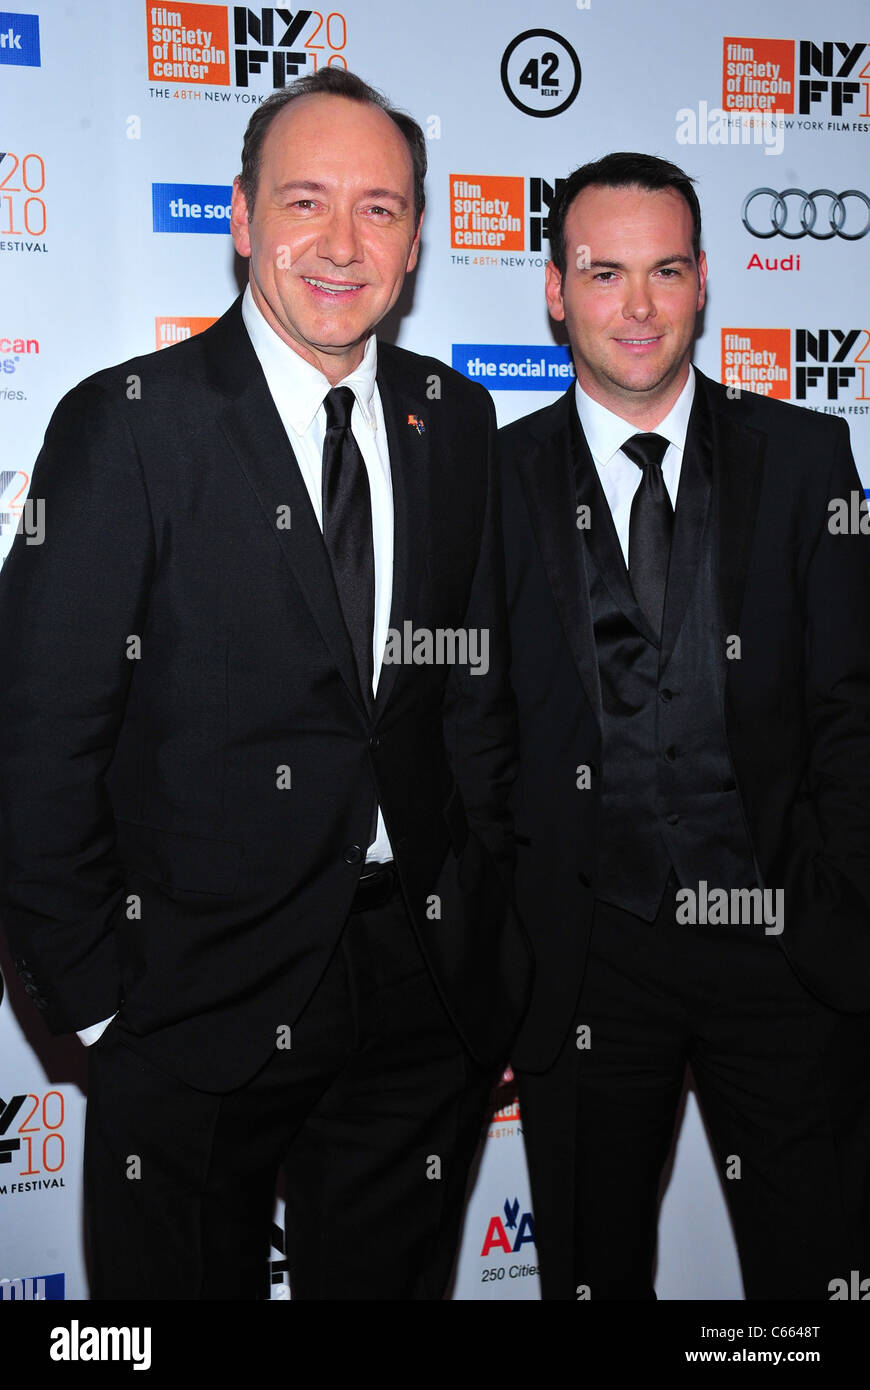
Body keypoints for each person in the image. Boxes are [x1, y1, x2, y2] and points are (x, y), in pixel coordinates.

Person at [0, 67, 530, 1300]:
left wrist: (494, 960)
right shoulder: (126, 424)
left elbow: (480, 709)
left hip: (420, 998)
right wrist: (98, 1017)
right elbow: (35, 742)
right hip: (190, 1002)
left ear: (417, 234)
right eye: (305, 201)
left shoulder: (454, 419)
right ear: (240, 220)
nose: (343, 245)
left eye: (382, 208)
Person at [499, 151, 870, 1300]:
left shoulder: (808, 457)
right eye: (605, 274)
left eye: (666, 270)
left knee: (818, 1282)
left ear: (706, 279)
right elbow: (470, 736)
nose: (640, 306)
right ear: (557, 290)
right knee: (592, 1274)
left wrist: (845, 915)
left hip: (785, 946)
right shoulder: (492, 478)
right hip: (589, 959)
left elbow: (855, 707)